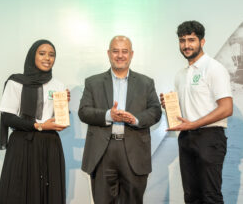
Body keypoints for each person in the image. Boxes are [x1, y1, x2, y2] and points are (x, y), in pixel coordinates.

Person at [78, 35, 161, 204]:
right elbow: (83, 111)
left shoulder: (146, 83)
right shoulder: (93, 82)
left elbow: (155, 111)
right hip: (103, 151)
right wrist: (108, 115)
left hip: (134, 150)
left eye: (125, 51)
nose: (120, 55)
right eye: (116, 51)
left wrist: (135, 119)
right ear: (109, 53)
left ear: (131, 54)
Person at [160, 21, 233, 204]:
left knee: (210, 196)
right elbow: (188, 108)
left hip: (210, 138)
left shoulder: (214, 68)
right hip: (186, 137)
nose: (186, 45)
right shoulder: (180, 74)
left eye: (191, 40)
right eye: (182, 40)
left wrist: (194, 124)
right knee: (191, 197)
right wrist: (168, 106)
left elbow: (226, 108)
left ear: (202, 41)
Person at [0, 39, 70, 204]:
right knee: (19, 192)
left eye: (52, 55)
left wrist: (64, 107)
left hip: (50, 145)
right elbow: (8, 118)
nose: (47, 58)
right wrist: (38, 125)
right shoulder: (15, 82)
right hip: (23, 145)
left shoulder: (58, 85)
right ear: (32, 56)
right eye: (42, 53)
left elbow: (59, 120)